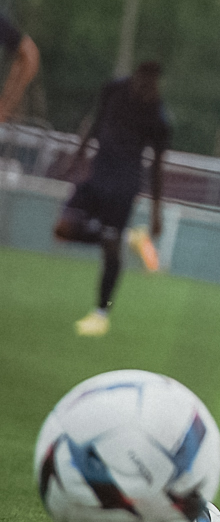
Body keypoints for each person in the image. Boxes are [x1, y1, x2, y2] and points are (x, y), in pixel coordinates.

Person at [53, 60, 171, 336]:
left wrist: (156, 212)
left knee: (110, 250)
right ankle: (129, 238)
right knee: (63, 229)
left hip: (123, 187)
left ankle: (101, 313)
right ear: (136, 76)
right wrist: (76, 157)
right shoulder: (113, 90)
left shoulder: (159, 116)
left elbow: (157, 166)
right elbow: (94, 124)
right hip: (96, 178)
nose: (148, 86)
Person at [0, 10, 41, 122]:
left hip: (28, 55)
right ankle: (5, 117)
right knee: (10, 93)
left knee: (11, 94)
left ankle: (4, 117)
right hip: (24, 55)